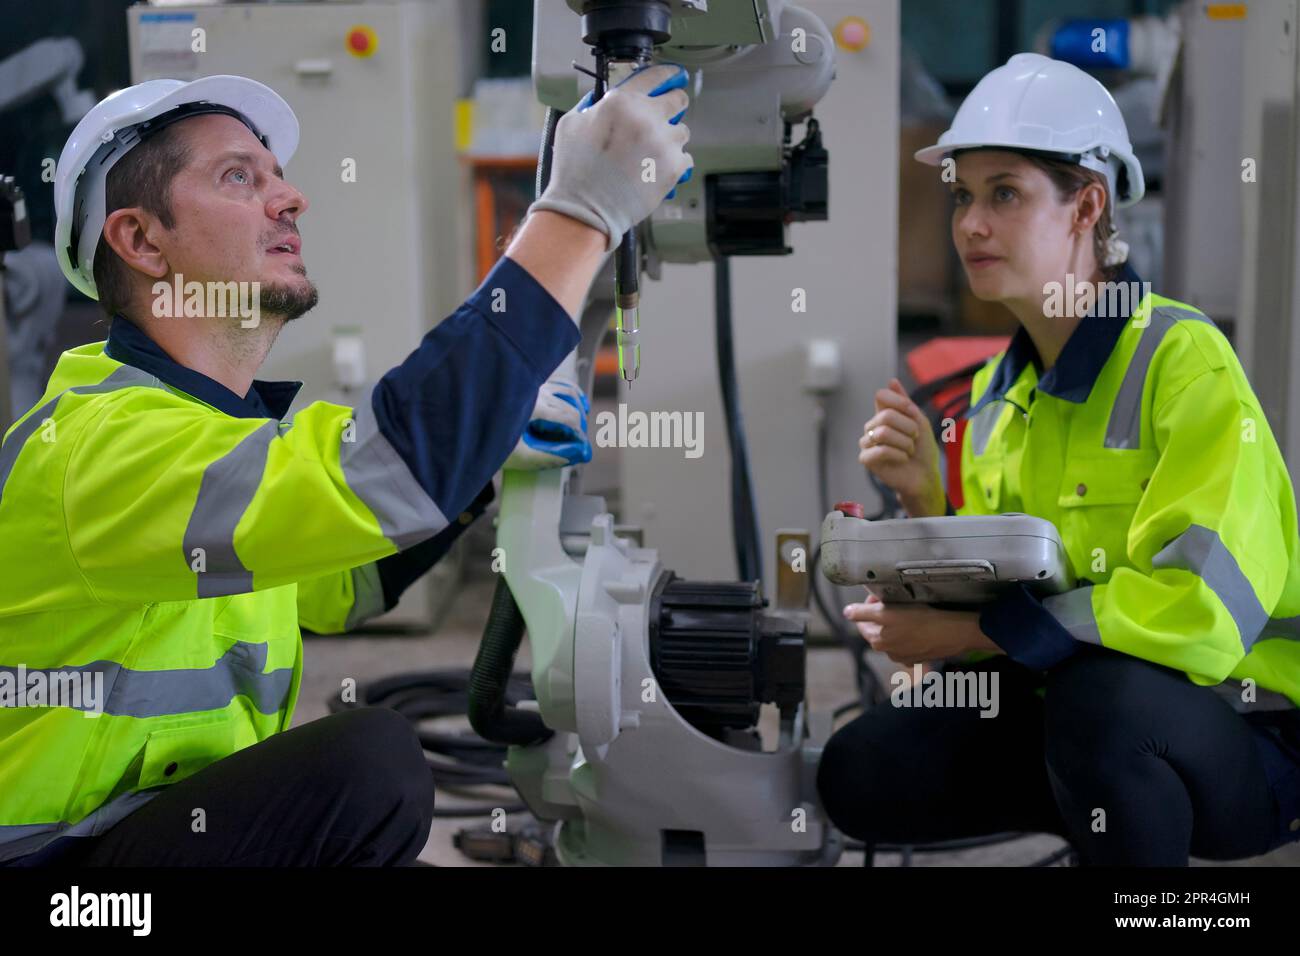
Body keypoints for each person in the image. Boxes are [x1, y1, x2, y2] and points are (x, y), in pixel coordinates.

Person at [0, 67, 692, 866]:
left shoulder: (203, 438)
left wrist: (487, 458)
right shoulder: (100, 445)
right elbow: (378, 474)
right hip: (60, 876)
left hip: (145, 840)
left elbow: (338, 587)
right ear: (141, 240)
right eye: (238, 176)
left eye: (280, 178)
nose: (291, 199)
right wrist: (576, 215)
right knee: (370, 765)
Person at [817, 53, 1300, 866]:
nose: (970, 224)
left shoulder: (1183, 361)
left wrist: (967, 628)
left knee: (1098, 700)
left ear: (1087, 207)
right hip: (1085, 721)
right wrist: (929, 509)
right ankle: (1104, 831)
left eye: (1004, 193)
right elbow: (1015, 613)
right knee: (862, 772)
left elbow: (1198, 614)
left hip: (1249, 733)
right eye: (963, 196)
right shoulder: (1000, 395)